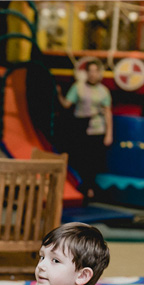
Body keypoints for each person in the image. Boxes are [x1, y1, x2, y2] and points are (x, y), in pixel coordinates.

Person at [60, 60, 113, 199]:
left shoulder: (103, 91)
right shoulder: (78, 87)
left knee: (93, 159)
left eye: (96, 71)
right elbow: (67, 104)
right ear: (86, 73)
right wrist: (58, 94)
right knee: (80, 157)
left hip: (97, 127)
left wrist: (109, 134)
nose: (93, 74)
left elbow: (108, 113)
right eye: (90, 71)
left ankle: (89, 188)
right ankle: (81, 185)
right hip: (80, 125)